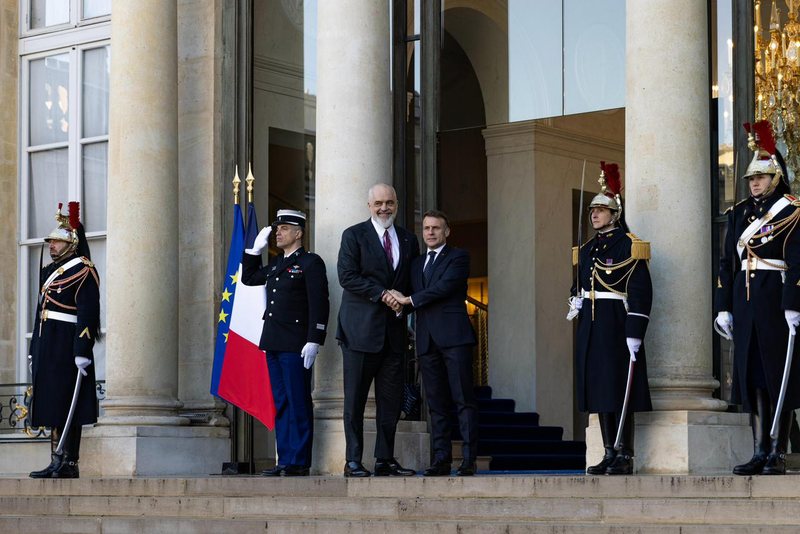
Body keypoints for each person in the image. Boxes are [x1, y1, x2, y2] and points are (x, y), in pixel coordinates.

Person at [716, 120, 800, 476]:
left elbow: (797, 259)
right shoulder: (737, 214)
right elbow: (726, 263)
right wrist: (723, 307)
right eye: (751, 178)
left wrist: (793, 302)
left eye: (761, 177)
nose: (754, 183)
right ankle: (759, 449)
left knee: (776, 375)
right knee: (751, 377)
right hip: (745, 301)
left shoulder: (792, 209)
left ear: (776, 177)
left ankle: (777, 451)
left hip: (774, 299)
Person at [568, 162, 653, 475]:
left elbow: (641, 290)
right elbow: (580, 283)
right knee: (599, 390)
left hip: (616, 324)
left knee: (618, 389)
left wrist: (635, 331)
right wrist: (575, 298)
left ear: (615, 214)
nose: (594, 214)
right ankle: (608, 451)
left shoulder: (629, 244)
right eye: (593, 210)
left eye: (601, 210)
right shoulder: (588, 248)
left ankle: (624, 454)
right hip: (591, 324)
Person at [337, 183, 420, 477]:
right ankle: (353, 461)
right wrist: (383, 294)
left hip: (394, 334)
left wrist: (403, 303)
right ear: (369, 206)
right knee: (355, 401)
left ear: (396, 204)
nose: (384, 208)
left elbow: (412, 284)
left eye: (389, 203)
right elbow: (347, 277)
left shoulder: (409, 240)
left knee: (390, 402)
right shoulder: (353, 235)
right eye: (378, 204)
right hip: (359, 333)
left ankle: (385, 459)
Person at [242, 209, 329, 476]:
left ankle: (299, 462)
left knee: (297, 400)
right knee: (281, 402)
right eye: (277, 228)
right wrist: (253, 252)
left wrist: (314, 339)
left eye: (284, 228)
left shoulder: (310, 262)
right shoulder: (278, 263)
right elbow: (249, 278)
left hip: (295, 344)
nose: (277, 233)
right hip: (273, 342)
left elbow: (319, 303)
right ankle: (285, 459)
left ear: (298, 233)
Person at [391, 210, 478, 476]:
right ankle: (441, 459)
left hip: (455, 339)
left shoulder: (458, 257)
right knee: (436, 404)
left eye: (436, 228)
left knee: (463, 400)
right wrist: (396, 302)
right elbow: (409, 296)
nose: (430, 232)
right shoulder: (416, 263)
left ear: (446, 231)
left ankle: (468, 459)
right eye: (427, 228)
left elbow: (444, 288)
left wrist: (409, 300)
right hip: (426, 340)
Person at [29, 202, 100, 479]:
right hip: (48, 344)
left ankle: (69, 461)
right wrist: (35, 347)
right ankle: (54, 459)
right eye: (51, 242)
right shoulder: (51, 272)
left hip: (67, 345)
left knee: (69, 402)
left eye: (57, 242)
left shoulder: (83, 270)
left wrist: (82, 349)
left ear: (71, 243)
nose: (52, 246)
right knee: (52, 401)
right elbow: (40, 312)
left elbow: (88, 312)